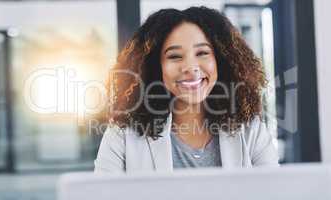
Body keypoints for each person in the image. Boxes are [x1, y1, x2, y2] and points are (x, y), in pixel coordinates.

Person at [94, 6, 279, 173]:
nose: (190, 67)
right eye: (175, 56)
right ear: (155, 67)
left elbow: (276, 192)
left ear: (221, 61)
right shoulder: (121, 136)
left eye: (202, 53)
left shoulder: (251, 131)